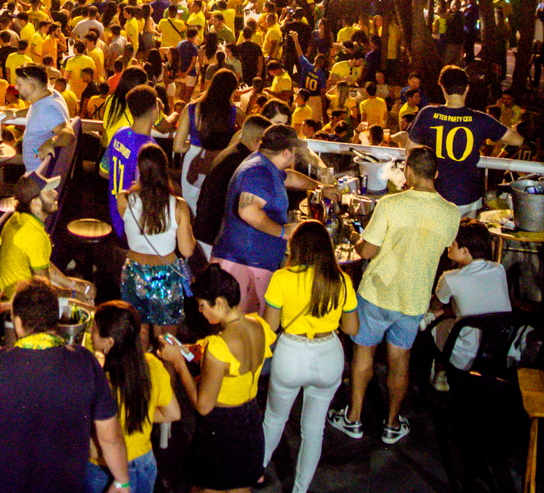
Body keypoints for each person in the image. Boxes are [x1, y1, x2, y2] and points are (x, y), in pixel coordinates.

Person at [329, 146, 459, 445]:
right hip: (414, 299)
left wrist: (353, 235)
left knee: (363, 355)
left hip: (376, 293)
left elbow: (367, 250)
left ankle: (354, 418)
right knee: (400, 360)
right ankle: (391, 424)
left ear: (409, 172)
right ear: (436, 174)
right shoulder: (451, 212)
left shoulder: (390, 203)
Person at [0, 279, 132, 493]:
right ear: (55, 319)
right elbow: (110, 437)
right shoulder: (85, 362)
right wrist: (122, 481)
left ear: (17, 323)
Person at [260, 220, 360, 493]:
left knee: (274, 420)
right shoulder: (341, 280)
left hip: (291, 354)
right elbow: (352, 328)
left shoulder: (282, 278)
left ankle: (254, 473)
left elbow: (270, 327)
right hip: (329, 356)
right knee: (314, 430)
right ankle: (301, 489)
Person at [156, 263, 273, 493]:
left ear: (219, 302)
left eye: (202, 305)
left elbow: (203, 406)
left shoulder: (219, 346)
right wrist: (189, 350)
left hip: (221, 429)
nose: (200, 311)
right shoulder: (258, 325)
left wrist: (179, 363)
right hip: (251, 422)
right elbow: (233, 360)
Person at [211, 124, 333, 314]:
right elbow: (248, 211)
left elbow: (290, 178)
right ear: (286, 152)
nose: (295, 158)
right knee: (244, 330)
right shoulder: (257, 171)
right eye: (294, 152)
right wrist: (285, 232)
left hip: (253, 262)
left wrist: (320, 188)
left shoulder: (266, 166)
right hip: (245, 264)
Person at [85, 301, 179, 493]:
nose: (91, 333)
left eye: (94, 329)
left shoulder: (99, 381)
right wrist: (139, 413)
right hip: (144, 463)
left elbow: (94, 449)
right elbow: (173, 413)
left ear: (109, 342)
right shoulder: (151, 365)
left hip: (105, 470)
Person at [407, 65, 522, 215]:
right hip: (469, 196)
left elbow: (410, 152)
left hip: (436, 196)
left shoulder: (427, 114)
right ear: (467, 88)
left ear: (442, 86)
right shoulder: (481, 119)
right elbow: (517, 140)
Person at [116, 144, 196, 338]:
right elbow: (187, 251)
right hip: (166, 275)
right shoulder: (178, 206)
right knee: (166, 338)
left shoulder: (124, 199)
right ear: (165, 169)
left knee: (138, 332)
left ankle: (141, 367)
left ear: (139, 170)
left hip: (134, 272)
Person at [429, 221, 511, 370]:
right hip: (501, 349)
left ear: (465, 251)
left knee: (434, 326)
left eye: (452, 244)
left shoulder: (450, 278)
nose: (448, 246)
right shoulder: (499, 269)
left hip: (468, 354)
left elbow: (435, 305)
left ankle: (440, 374)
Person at [192, 116, 269, 260]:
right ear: (257, 141)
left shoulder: (232, 153)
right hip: (214, 241)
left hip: (205, 233)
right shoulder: (244, 164)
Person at [0, 172, 79, 297]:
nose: (55, 194)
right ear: (35, 203)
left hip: (14, 295)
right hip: (20, 306)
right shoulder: (35, 235)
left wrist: (72, 285)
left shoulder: (17, 218)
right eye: (48, 192)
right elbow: (45, 291)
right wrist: (74, 294)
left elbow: (42, 263)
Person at [177, 69, 239, 212]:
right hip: (219, 161)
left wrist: (193, 147)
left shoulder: (190, 109)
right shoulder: (233, 112)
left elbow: (178, 146)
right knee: (214, 208)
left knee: (190, 207)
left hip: (193, 161)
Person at [103, 85, 161, 238]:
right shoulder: (149, 150)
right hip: (132, 225)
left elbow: (103, 170)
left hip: (113, 213)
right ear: (155, 112)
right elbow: (150, 194)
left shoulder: (119, 133)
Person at [14, 64, 73, 173]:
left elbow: (68, 133)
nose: (15, 87)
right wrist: (14, 115)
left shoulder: (48, 109)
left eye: (19, 84)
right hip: (35, 170)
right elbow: (35, 109)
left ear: (32, 87)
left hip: (39, 175)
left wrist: (52, 142)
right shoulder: (47, 95)